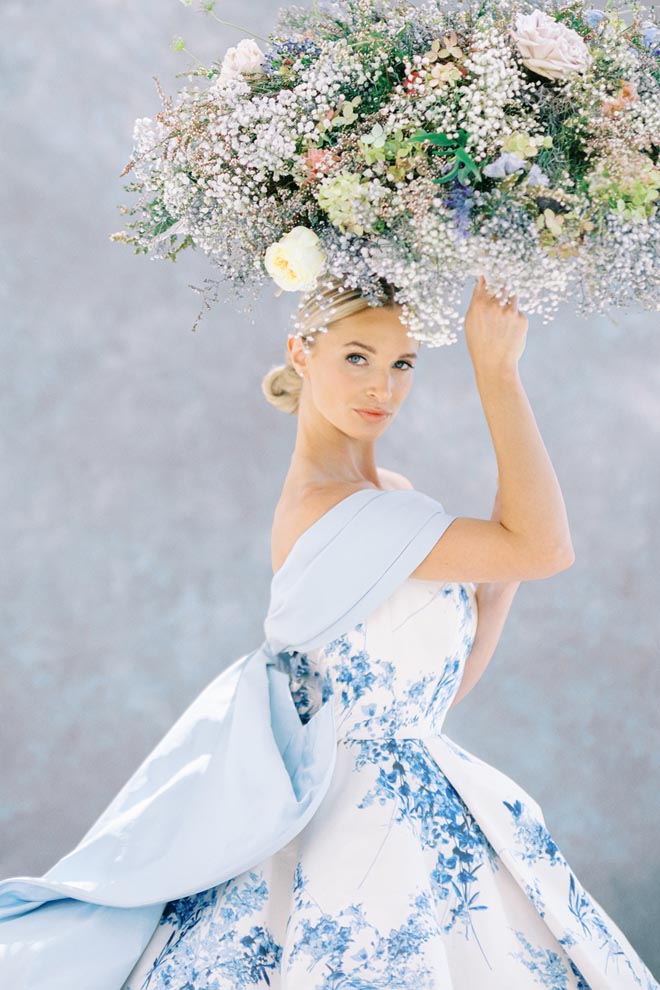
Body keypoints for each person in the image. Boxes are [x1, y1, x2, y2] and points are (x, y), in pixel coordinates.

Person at [1, 275, 657, 990]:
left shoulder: (393, 499)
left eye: (403, 363)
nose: (383, 386)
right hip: (349, 827)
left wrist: (494, 594)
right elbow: (546, 547)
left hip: (427, 805)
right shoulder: (333, 511)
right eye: (356, 356)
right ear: (300, 351)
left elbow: (429, 696)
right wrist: (497, 370)